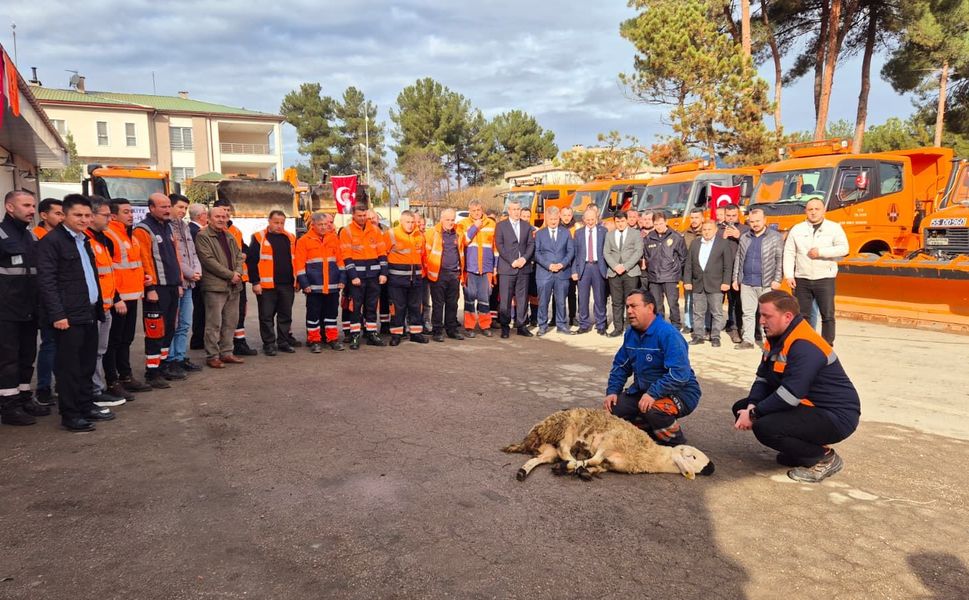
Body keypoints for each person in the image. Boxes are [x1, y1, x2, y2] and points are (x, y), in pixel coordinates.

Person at [732, 290, 860, 482]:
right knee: (741, 407)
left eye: (767, 316)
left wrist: (754, 414)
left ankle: (824, 458)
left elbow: (791, 394)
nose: (761, 321)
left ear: (787, 317)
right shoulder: (776, 337)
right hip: (807, 405)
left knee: (765, 427)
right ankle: (801, 452)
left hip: (835, 416)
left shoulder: (804, 344)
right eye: (761, 315)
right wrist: (751, 407)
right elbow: (763, 379)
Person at [37, 195, 115, 432]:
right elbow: (46, 282)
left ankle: (86, 404)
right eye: (77, 215)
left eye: (87, 215)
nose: (84, 220)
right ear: (65, 215)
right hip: (68, 317)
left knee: (86, 364)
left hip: (89, 311)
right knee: (69, 367)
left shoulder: (84, 241)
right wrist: (58, 315)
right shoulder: (52, 242)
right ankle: (70, 414)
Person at [604, 289, 701, 446]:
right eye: (627, 307)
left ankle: (677, 443)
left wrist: (653, 393)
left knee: (653, 409)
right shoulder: (630, 334)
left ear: (650, 308)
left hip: (681, 393)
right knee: (613, 409)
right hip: (646, 391)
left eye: (634, 306)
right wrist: (612, 391)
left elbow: (679, 374)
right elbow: (621, 365)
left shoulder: (669, 335)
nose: (629, 311)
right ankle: (650, 430)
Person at [0, 191, 46, 426]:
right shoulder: (1, 235)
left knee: (28, 356)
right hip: (6, 310)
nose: (31, 210)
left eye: (33, 205)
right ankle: (9, 406)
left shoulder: (31, 237)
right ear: (10, 207)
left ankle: (25, 397)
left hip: (29, 308)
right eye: (26, 205)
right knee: (8, 359)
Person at [133, 193, 185, 388]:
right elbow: (144, 261)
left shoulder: (168, 227)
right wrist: (150, 288)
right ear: (151, 208)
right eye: (162, 206)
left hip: (172, 286)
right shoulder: (143, 230)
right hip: (157, 289)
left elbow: (175, 258)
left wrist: (179, 283)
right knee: (155, 331)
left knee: (169, 329)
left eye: (168, 206)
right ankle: (152, 372)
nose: (167, 209)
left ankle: (162, 366)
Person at [102, 198, 152, 398]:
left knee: (126, 340)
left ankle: (125, 375)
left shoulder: (130, 236)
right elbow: (108, 271)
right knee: (113, 341)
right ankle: (112, 380)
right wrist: (116, 298)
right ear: (113, 216)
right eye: (126, 212)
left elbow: (135, 264)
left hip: (132, 296)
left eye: (131, 211)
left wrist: (145, 279)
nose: (131, 215)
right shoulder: (109, 236)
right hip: (118, 299)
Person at [783, 199, 849, 345]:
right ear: (805, 211)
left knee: (827, 314)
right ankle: (804, 343)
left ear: (823, 210)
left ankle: (827, 345)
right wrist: (789, 274)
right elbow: (789, 252)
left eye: (816, 209)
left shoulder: (834, 228)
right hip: (802, 278)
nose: (813, 212)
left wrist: (821, 252)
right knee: (802, 314)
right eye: (810, 209)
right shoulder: (797, 229)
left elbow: (844, 248)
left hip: (824, 277)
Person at [85, 196, 126, 408]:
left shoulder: (102, 239)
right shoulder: (86, 241)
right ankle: (94, 392)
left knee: (100, 352)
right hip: (93, 308)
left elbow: (108, 275)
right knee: (92, 353)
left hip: (106, 305)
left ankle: (98, 389)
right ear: (91, 216)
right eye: (106, 214)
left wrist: (115, 297)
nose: (110, 218)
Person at [194, 206, 246, 368]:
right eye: (218, 216)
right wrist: (231, 275)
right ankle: (212, 356)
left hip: (233, 286)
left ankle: (227, 352)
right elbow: (208, 260)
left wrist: (237, 272)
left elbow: (239, 255)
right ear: (208, 218)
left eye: (224, 216)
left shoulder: (228, 234)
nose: (222, 219)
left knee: (231, 321)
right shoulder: (203, 236)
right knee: (214, 323)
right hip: (215, 286)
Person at [246, 211, 297, 355]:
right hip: (266, 286)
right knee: (266, 316)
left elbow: (295, 260)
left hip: (287, 284)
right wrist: (255, 282)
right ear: (269, 221)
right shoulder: (259, 237)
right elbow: (252, 261)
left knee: (285, 315)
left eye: (282, 223)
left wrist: (296, 281)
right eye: (276, 222)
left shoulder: (290, 238)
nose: (279, 225)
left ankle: (283, 341)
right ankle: (269, 344)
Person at [732, 208, 783, 350]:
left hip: (766, 283)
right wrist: (736, 278)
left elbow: (780, 259)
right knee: (747, 313)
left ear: (765, 220)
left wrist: (777, 279)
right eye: (752, 221)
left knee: (768, 315)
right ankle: (748, 340)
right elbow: (739, 258)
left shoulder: (775, 237)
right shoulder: (745, 237)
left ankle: (769, 343)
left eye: (758, 221)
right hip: (747, 282)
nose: (755, 224)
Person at [339, 204, 389, 349]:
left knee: (372, 306)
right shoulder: (346, 231)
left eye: (364, 215)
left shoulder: (375, 230)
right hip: (357, 277)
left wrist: (383, 273)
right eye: (359, 216)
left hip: (373, 276)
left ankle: (371, 333)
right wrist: (353, 276)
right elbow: (346, 256)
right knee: (356, 307)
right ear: (353, 215)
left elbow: (382, 253)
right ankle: (355, 335)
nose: (362, 218)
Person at [295, 212, 345, 352]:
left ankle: (332, 339)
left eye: (325, 224)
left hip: (332, 286)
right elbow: (299, 265)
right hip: (313, 287)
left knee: (331, 314)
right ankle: (314, 340)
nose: (323, 227)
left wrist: (342, 279)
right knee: (313, 315)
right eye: (320, 225)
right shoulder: (304, 240)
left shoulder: (334, 239)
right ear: (313, 225)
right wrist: (304, 284)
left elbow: (340, 261)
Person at [213, 199, 257, 357]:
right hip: (221, 279)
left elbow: (242, 248)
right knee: (219, 314)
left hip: (239, 278)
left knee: (239, 312)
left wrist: (244, 254)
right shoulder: (209, 231)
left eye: (227, 211)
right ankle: (221, 345)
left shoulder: (236, 230)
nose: (225, 214)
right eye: (222, 211)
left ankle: (239, 342)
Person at [167, 194, 203, 372]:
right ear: (170, 206)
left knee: (185, 323)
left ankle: (180, 357)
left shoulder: (185, 227)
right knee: (172, 324)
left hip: (189, 283)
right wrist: (190, 273)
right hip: (177, 283)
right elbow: (175, 257)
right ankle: (171, 358)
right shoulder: (166, 227)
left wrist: (197, 271)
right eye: (179, 207)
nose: (182, 211)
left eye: (185, 208)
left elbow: (193, 253)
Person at [683, 220, 733, 347]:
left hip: (716, 283)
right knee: (698, 312)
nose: (706, 232)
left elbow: (728, 265)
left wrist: (726, 282)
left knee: (716, 312)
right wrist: (687, 281)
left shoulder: (723, 243)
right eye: (704, 229)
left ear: (715, 230)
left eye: (709, 229)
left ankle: (715, 336)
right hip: (698, 283)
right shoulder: (695, 243)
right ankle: (698, 336)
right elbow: (688, 264)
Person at [384, 210, 428, 346]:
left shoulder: (419, 235)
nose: (410, 225)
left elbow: (423, 256)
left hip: (415, 280)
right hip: (396, 280)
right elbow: (382, 256)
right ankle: (396, 334)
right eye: (407, 222)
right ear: (401, 221)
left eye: (412, 222)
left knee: (416, 307)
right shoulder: (391, 234)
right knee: (398, 308)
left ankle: (415, 333)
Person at [494, 199, 535, 339]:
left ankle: (521, 325)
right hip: (507, 268)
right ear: (509, 211)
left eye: (518, 209)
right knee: (505, 299)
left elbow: (531, 244)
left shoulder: (526, 226)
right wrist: (512, 261)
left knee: (522, 299)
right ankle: (505, 327)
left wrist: (524, 259)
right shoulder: (501, 226)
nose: (516, 212)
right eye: (514, 209)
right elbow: (500, 245)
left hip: (523, 268)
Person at [534, 206, 575, 336]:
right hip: (544, 273)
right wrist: (549, 265)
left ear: (559, 218)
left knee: (561, 300)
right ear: (547, 218)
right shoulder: (540, 233)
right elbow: (536, 253)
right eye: (551, 219)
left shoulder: (566, 232)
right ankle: (542, 325)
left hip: (562, 273)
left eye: (555, 219)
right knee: (543, 301)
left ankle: (562, 325)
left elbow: (571, 251)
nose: (553, 221)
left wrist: (562, 264)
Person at [458, 200, 497, 337]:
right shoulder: (463, 224)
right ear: (469, 211)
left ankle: (485, 325)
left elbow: (495, 248)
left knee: (484, 299)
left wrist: (495, 267)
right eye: (473, 210)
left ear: (482, 210)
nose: (476, 213)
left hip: (486, 269)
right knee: (469, 299)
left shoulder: (491, 224)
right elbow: (464, 241)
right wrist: (474, 227)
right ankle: (469, 327)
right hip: (470, 269)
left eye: (478, 210)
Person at [643, 211, 687, 330]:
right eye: (656, 224)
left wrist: (675, 269)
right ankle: (659, 325)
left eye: (661, 223)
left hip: (671, 277)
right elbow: (647, 256)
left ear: (666, 222)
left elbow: (683, 257)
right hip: (654, 277)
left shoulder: (676, 237)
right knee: (657, 304)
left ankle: (676, 325)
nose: (658, 226)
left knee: (673, 303)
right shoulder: (648, 238)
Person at [426, 208, 465, 342]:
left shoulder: (458, 232)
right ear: (441, 219)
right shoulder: (432, 233)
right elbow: (426, 254)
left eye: (452, 220)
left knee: (452, 304)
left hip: (454, 274)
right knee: (438, 304)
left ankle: (452, 329)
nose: (450, 222)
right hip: (438, 274)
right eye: (447, 219)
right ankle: (437, 331)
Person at [603, 210, 643, 337]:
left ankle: (631, 328)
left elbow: (638, 252)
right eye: (617, 221)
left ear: (627, 221)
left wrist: (625, 266)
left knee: (631, 302)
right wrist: (615, 266)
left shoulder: (636, 234)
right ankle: (618, 328)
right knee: (616, 301)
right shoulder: (609, 235)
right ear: (614, 222)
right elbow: (606, 252)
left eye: (622, 221)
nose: (620, 224)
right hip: (614, 273)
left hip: (630, 272)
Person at [572, 206, 608, 336]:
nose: (590, 221)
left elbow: (607, 251)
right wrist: (574, 270)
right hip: (584, 267)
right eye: (587, 219)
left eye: (592, 219)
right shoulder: (579, 233)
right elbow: (575, 253)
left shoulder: (603, 231)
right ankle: (584, 324)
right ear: (583, 220)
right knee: (583, 298)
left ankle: (601, 324)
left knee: (599, 297)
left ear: (596, 219)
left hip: (599, 267)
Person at [720, 204, 749, 344]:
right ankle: (719, 327)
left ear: (738, 215)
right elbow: (714, 249)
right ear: (724, 215)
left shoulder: (745, 229)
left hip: (740, 272)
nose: (731, 219)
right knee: (722, 302)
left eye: (733, 216)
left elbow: (750, 247)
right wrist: (723, 238)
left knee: (738, 302)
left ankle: (738, 328)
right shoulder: (719, 229)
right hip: (722, 271)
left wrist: (739, 236)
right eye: (728, 216)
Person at [188, 203, 209, 351]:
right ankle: (198, 340)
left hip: (197, 275)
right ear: (201, 216)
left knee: (199, 309)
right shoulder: (197, 231)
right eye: (206, 214)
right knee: (201, 309)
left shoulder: (191, 229)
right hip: (199, 276)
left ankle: (198, 339)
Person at [553, 206, 579, 326]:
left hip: (572, 265)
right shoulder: (555, 227)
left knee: (571, 293)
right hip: (559, 266)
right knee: (556, 293)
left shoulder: (576, 228)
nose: (567, 218)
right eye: (564, 215)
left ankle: (572, 317)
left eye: (569, 215)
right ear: (560, 216)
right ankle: (554, 317)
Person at [680, 209, 704, 335]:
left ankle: (703, 326)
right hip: (689, 272)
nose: (694, 220)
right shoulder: (685, 234)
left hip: (704, 273)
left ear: (702, 219)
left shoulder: (706, 233)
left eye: (697, 217)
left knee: (702, 301)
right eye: (692, 218)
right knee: (688, 300)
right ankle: (689, 324)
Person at [368, 209, 392, 333]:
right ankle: (367, 327)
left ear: (378, 219)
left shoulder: (386, 232)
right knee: (369, 301)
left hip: (383, 270)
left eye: (374, 217)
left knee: (385, 299)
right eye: (369, 218)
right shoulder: (364, 233)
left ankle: (385, 325)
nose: (372, 220)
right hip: (369, 272)